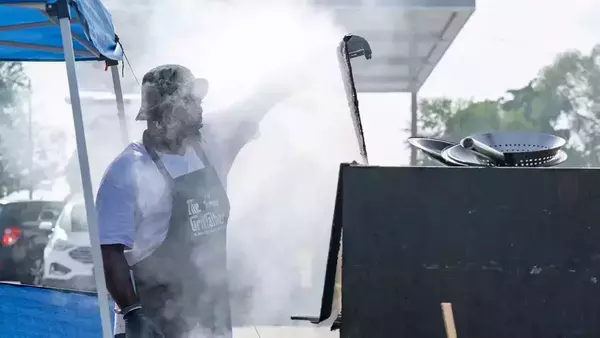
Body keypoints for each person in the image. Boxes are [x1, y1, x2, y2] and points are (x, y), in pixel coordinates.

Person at [96, 64, 293, 338]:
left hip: (211, 322)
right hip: (154, 326)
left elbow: (259, 101)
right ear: (168, 112)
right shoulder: (127, 171)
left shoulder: (211, 143)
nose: (200, 105)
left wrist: (314, 64)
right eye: (190, 99)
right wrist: (132, 313)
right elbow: (108, 251)